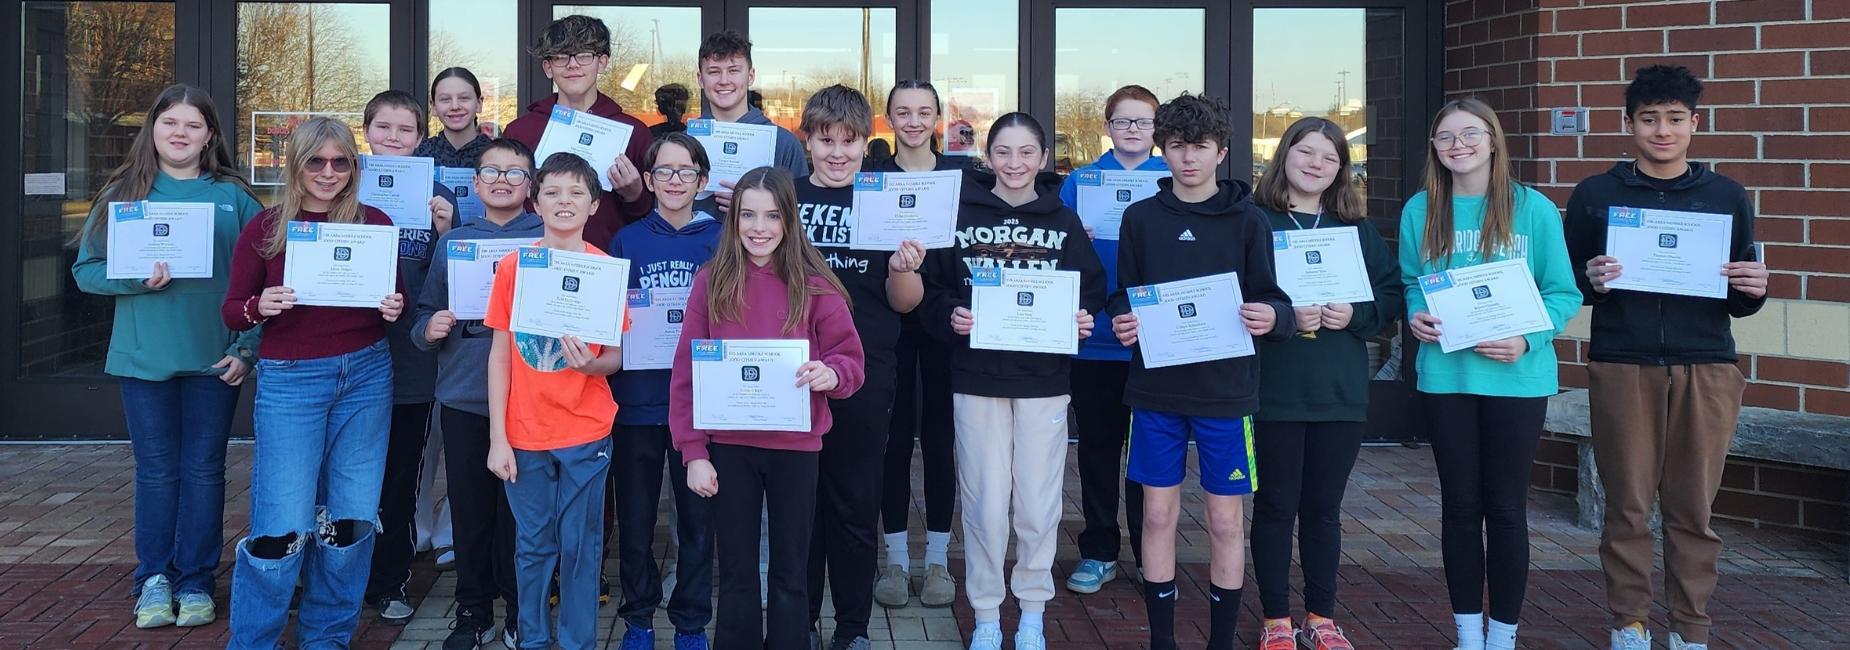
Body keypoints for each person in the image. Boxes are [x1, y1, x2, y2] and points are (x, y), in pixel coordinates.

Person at [1563, 65, 1767, 650]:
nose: (1662, 130)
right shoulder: (1596, 195)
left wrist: (1754, 286)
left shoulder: (1725, 196)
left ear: (1694, 124)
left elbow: (1738, 299)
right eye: (1648, 118)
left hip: (1707, 364)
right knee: (1626, 506)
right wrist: (1591, 279)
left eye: (1675, 119)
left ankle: (1690, 631)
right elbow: (1569, 284)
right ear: (1628, 124)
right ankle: (1629, 624)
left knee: (1692, 510)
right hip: (1623, 363)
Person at [1104, 93, 1292, 650]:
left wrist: (1270, 317)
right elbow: (1123, 296)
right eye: (1179, 146)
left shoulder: (1248, 220)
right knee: (1157, 517)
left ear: (1222, 152)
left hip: (1226, 394)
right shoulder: (1141, 218)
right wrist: (1123, 320)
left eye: (1201, 147)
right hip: (1156, 391)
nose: (1189, 158)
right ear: (1164, 150)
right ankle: (1162, 640)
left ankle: (1219, 642)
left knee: (1226, 522)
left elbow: (1272, 300)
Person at [71, 83, 262, 631]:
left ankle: (197, 578)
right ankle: (153, 577)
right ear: (152, 130)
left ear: (209, 137)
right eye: (169, 122)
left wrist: (247, 348)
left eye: (193, 125)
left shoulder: (234, 198)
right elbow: (86, 271)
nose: (180, 133)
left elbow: (265, 277)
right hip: (144, 357)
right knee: (156, 472)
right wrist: (135, 278)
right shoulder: (123, 195)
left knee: (204, 471)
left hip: (214, 358)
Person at [1397, 97, 1581, 650]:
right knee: (1458, 506)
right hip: (1448, 378)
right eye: (1446, 137)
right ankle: (1467, 634)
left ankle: (1502, 635)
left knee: (1504, 508)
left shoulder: (1534, 210)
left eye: (1470, 133)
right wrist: (1415, 315)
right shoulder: (1420, 210)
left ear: (1493, 140)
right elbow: (1412, 283)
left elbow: (1563, 293)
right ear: (1434, 148)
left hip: (1517, 381)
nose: (1459, 145)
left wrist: (1528, 337)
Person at [919, 112, 1105, 650]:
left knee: (1036, 506)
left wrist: (1083, 319)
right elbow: (933, 292)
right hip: (976, 378)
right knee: (983, 503)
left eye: (1026, 153)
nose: (1015, 163)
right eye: (1003, 152)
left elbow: (1089, 291)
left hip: (1044, 379)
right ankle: (983, 613)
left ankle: (1030, 612)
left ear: (1043, 159)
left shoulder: (1063, 222)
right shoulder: (958, 217)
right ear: (989, 157)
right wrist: (951, 315)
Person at [221, 116, 404, 649]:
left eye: (340, 162)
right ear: (295, 165)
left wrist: (397, 305)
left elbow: (392, 299)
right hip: (292, 379)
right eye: (316, 162)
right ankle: (254, 640)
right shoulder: (267, 227)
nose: (328, 172)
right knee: (281, 522)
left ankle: (327, 637)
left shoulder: (373, 222)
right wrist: (260, 306)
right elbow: (232, 310)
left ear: (354, 166)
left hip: (367, 372)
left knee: (351, 519)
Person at [669, 167, 866, 650]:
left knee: (790, 573)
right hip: (730, 447)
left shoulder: (815, 284)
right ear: (733, 220)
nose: (760, 227)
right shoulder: (711, 282)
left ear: (789, 221)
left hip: (796, 447)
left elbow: (850, 358)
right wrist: (693, 451)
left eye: (772, 215)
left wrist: (832, 373)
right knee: (735, 571)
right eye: (748, 215)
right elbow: (686, 372)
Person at [1248, 116, 1403, 650]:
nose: (1316, 164)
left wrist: (1353, 314)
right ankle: (1275, 620)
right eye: (1305, 152)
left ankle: (1320, 617)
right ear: (1284, 155)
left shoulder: (1355, 231)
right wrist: (1282, 314)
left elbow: (1390, 298)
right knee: (1274, 505)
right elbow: (1237, 295)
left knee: (1323, 509)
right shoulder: (1255, 221)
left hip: (1339, 390)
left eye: (1329, 157)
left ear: (1342, 170)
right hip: (1274, 387)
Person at [791, 85, 927, 650]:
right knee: (799, 507)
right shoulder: (784, 198)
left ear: (864, 144)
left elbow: (906, 303)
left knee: (852, 504)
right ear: (808, 142)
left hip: (865, 372)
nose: (838, 153)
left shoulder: (884, 200)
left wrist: (903, 267)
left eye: (849, 142)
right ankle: (799, 624)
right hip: (791, 374)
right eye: (827, 141)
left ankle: (852, 629)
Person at [484, 152, 626, 650]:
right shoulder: (512, 267)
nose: (564, 202)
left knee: (580, 548)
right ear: (535, 200)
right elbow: (500, 354)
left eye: (575, 194)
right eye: (553, 192)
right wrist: (497, 438)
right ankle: (532, 639)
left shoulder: (606, 270)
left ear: (593, 205)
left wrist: (591, 366)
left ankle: (578, 642)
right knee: (533, 545)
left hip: (586, 430)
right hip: (524, 434)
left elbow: (614, 359)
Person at [415, 137, 544, 650]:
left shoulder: (546, 239)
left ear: (530, 186)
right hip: (465, 395)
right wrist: (431, 327)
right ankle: (472, 611)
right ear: (476, 183)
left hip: (531, 398)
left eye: (515, 173)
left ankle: (518, 612)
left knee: (522, 516)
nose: (503, 181)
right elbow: (422, 314)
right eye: (492, 172)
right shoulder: (454, 242)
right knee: (471, 512)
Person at [609, 133, 724, 650]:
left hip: (700, 407)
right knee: (636, 520)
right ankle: (637, 618)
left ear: (702, 182)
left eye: (686, 172)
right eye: (664, 172)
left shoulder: (722, 239)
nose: (674, 181)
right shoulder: (628, 240)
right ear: (648, 180)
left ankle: (692, 622)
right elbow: (609, 319)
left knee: (698, 523)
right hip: (636, 400)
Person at [1056, 84, 1165, 595]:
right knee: (1098, 449)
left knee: (1149, 453)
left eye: (1143, 123)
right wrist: (1074, 234)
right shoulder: (1080, 182)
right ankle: (1099, 549)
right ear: (1108, 126)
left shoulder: (1171, 180)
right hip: (1095, 338)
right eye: (1123, 122)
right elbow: (1056, 252)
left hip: (1155, 340)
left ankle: (1150, 552)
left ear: (1156, 130)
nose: (1133, 131)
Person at [360, 88, 460, 624]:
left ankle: (389, 579)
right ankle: (335, 575)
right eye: (383, 128)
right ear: (367, 131)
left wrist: (447, 232)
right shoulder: (339, 185)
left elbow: (454, 285)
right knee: (345, 478)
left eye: (405, 130)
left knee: (400, 478)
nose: (394, 138)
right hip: (347, 358)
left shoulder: (439, 196)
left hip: (411, 365)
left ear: (421, 138)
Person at [872, 79, 964, 611]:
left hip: (946, 327)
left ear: (937, 118)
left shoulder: (960, 180)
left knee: (939, 441)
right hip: (888, 327)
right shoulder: (873, 180)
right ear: (889, 118)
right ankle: (894, 559)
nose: (912, 121)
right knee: (893, 440)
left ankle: (936, 560)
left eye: (923, 112)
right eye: (902, 112)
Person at [503, 14, 654, 247]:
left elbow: (651, 220)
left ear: (602, 62)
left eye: (584, 55)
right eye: (561, 56)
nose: (572, 65)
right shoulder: (520, 131)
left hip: (608, 260)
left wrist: (635, 195)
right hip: (535, 263)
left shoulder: (633, 132)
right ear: (548, 67)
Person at [693, 30, 809, 214]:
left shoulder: (784, 144)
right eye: (714, 72)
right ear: (700, 79)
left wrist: (753, 207)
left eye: (734, 71)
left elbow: (801, 213)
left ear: (750, 76)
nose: (724, 81)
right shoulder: (683, 144)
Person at [418, 67, 493, 171]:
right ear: (433, 106)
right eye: (445, 99)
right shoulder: (418, 154)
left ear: (479, 103)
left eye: (464, 98)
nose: (455, 106)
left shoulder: (499, 154)